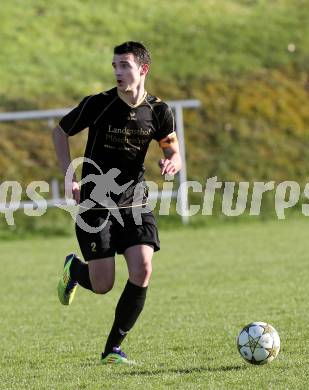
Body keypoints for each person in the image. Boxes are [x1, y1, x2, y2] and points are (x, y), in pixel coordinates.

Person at [52, 41, 181, 364]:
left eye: (124, 65)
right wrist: (69, 174)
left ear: (143, 69)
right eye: (115, 66)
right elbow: (60, 132)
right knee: (103, 284)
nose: (118, 72)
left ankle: (112, 349)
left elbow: (171, 148)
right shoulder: (99, 104)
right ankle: (74, 270)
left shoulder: (159, 111)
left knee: (143, 268)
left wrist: (172, 161)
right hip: (96, 204)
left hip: (135, 203)